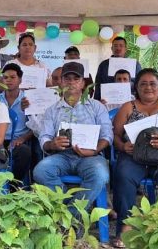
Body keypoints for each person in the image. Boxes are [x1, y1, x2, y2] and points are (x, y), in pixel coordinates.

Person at [112, 69, 158, 248]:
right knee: (123, 175)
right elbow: (114, 135)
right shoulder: (128, 107)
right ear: (136, 87)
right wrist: (122, 146)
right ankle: (125, 226)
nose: (148, 87)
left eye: (152, 83)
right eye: (143, 84)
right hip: (134, 155)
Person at [34, 62, 113, 210]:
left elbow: (107, 135)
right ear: (61, 82)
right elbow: (44, 137)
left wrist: (95, 150)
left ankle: (68, 216)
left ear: (83, 83)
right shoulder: (52, 110)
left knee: (100, 175)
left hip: (91, 156)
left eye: (76, 79)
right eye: (67, 78)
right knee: (41, 171)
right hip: (62, 156)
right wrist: (52, 144)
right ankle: (74, 208)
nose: (71, 82)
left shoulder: (97, 107)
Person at [0, 64, 36, 182]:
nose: (8, 80)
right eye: (5, 77)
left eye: (13, 77)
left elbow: (37, 127)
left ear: (20, 80)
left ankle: (14, 185)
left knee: (24, 152)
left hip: (20, 141)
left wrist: (22, 139)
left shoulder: (29, 99)